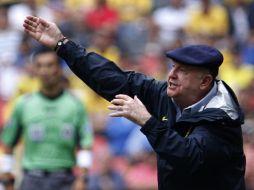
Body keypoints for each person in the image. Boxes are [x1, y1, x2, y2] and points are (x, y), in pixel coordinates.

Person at [23, 16, 246, 190]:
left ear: (205, 81)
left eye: (183, 71)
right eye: (173, 67)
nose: (172, 75)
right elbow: (115, 80)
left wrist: (147, 121)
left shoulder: (221, 117)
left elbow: (188, 157)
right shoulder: (166, 94)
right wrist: (63, 45)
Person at [0, 46, 93, 190]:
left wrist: (83, 178)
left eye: (49, 65)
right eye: (39, 66)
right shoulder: (23, 104)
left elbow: (85, 144)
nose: (44, 71)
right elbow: (8, 142)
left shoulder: (75, 105)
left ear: (60, 69)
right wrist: (6, 178)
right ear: (34, 70)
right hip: (32, 179)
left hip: (65, 179)